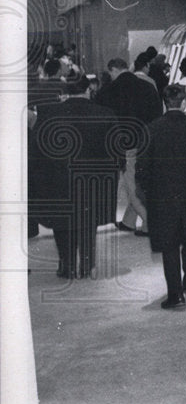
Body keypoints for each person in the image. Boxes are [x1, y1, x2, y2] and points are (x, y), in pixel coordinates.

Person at [28, 76, 120, 279]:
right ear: (89, 90)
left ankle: (67, 265)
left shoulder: (49, 115)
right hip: (93, 178)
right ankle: (87, 265)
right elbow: (116, 151)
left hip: (58, 178)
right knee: (88, 222)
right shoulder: (105, 114)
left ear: (65, 92)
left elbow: (35, 150)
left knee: (62, 222)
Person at [136, 84, 186, 309]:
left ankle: (176, 295)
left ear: (165, 103)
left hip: (163, 197)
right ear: (183, 103)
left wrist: (149, 193)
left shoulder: (151, 129)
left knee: (170, 245)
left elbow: (141, 169)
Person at [95, 56, 162, 235]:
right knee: (138, 181)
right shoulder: (147, 87)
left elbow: (101, 120)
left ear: (113, 70)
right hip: (147, 141)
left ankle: (150, 223)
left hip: (124, 145)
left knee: (131, 185)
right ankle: (129, 222)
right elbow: (157, 114)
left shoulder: (108, 91)